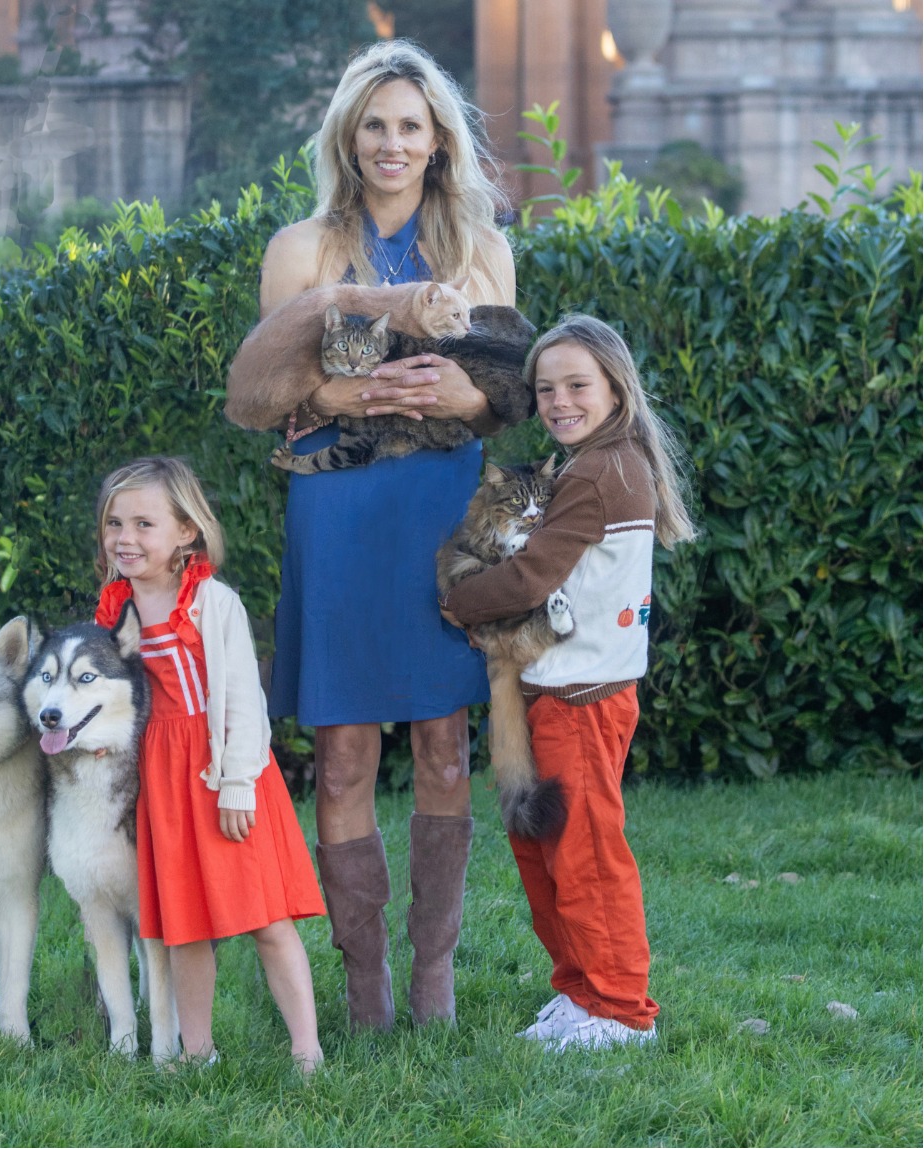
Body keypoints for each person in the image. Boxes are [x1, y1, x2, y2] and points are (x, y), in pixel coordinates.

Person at [226, 39, 518, 1030]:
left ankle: (431, 978)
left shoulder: (482, 248)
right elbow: (273, 387)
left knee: (444, 750)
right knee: (343, 757)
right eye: (375, 126)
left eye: (411, 126)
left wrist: (460, 387)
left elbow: (505, 391)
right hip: (339, 510)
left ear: (439, 142)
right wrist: (351, 387)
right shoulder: (300, 249)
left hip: (442, 504)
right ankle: (366, 992)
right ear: (348, 140)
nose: (393, 143)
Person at [440, 315, 696, 1050]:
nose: (558, 401)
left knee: (585, 853)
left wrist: (456, 601)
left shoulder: (602, 469)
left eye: (576, 385)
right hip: (554, 692)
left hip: (584, 698)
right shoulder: (587, 462)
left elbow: (530, 575)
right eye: (545, 388)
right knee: (544, 848)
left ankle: (620, 1007)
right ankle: (581, 991)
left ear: (616, 387)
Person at [92, 456, 326, 1072]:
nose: (125, 538)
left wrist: (237, 783)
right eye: (115, 524)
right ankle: (198, 1052)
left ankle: (308, 1050)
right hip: (160, 783)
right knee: (185, 926)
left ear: (186, 531)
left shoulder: (211, 602)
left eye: (144, 524)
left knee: (266, 918)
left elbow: (243, 697)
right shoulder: (112, 608)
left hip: (221, 770)